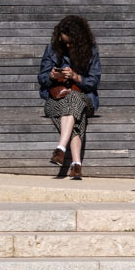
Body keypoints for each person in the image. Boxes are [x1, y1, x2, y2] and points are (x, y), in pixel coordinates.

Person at [39, 15, 101, 180]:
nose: (67, 45)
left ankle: (61, 147)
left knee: (74, 98)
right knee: (74, 118)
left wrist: (75, 77)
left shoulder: (91, 52)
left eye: (70, 42)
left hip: (84, 99)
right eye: (64, 42)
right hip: (56, 98)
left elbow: (93, 82)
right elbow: (41, 78)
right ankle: (76, 165)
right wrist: (51, 76)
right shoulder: (51, 49)